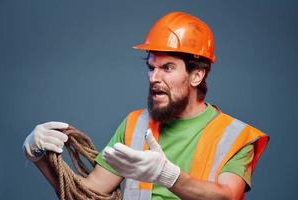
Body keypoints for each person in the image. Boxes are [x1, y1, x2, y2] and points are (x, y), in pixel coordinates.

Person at [23, 11, 269, 200]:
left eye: (167, 68)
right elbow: (87, 194)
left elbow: (228, 195)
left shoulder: (235, 136)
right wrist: (41, 158)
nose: (154, 77)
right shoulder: (135, 124)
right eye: (151, 67)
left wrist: (168, 176)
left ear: (197, 76)